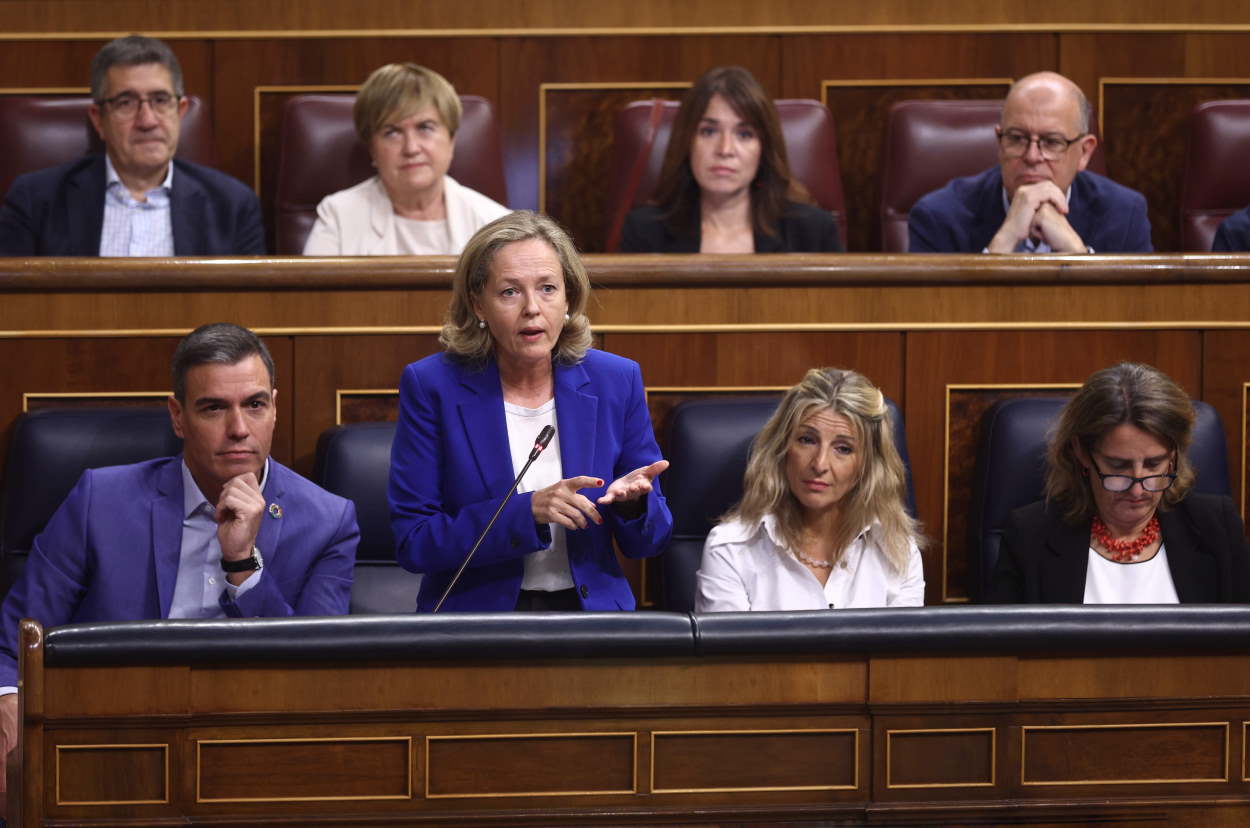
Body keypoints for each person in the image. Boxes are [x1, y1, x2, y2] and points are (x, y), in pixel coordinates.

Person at [0, 322, 358, 803]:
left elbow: (318, 673)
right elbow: (13, 644)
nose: (238, 429)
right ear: (178, 416)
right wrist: (9, 705)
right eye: (214, 407)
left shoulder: (328, 520)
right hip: (115, 743)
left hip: (254, 750)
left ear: (274, 407)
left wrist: (243, 562)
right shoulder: (99, 500)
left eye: (255, 404)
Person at [389, 211, 672, 611]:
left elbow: (651, 541)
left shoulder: (616, 380)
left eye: (547, 289)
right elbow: (414, 542)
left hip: (591, 620)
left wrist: (633, 506)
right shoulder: (433, 386)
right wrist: (527, 512)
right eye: (509, 292)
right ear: (478, 304)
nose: (532, 309)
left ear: (569, 298)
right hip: (476, 624)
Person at [987, 362, 1250, 603]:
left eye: (1153, 464)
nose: (1137, 489)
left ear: (1173, 455)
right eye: (1118, 466)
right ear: (1081, 453)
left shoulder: (1217, 527)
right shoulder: (1029, 535)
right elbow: (1001, 649)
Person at [0, 35, 264, 256]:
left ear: (180, 112)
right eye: (126, 102)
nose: (147, 121)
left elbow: (245, 312)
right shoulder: (35, 201)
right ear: (99, 120)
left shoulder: (233, 205)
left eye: (160, 100)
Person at [696, 368, 924, 611]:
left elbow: (901, 649)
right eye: (807, 440)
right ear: (782, 448)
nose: (820, 464)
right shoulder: (730, 549)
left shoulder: (898, 551)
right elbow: (729, 649)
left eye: (843, 449)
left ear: (868, 465)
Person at [909, 71, 1151, 254]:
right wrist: (1004, 242)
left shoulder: (1124, 214)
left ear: (1084, 152)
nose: (1032, 157)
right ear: (999, 142)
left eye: (1052, 142)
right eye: (1017, 138)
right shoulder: (939, 217)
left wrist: (1076, 255)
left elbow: (1136, 315)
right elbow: (934, 317)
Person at [618, 66, 841, 254]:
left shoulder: (813, 231)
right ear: (687, 141)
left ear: (764, 148)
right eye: (708, 131)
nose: (725, 149)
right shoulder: (643, 232)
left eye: (744, 134)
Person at [303, 63, 510, 256]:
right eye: (392, 132)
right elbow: (313, 296)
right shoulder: (338, 217)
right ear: (372, 149)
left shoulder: (495, 224)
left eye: (425, 128)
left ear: (452, 140)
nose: (411, 148)